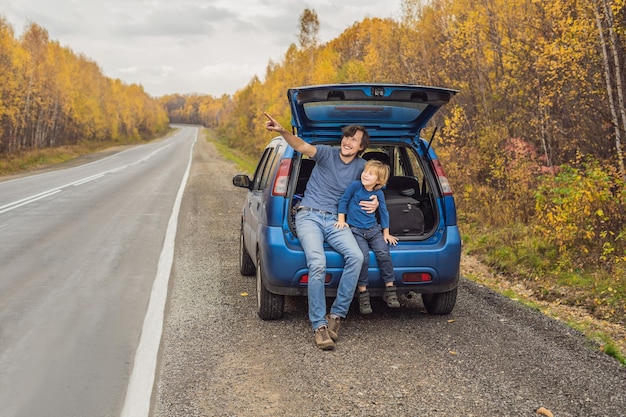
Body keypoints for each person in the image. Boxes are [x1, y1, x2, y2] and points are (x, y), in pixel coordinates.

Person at [264, 112, 378, 350]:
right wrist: (283, 131)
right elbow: (302, 145)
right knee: (317, 262)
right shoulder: (326, 153)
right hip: (309, 215)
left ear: (361, 147)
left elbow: (376, 182)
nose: (347, 142)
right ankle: (319, 326)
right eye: (346, 137)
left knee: (356, 257)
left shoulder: (360, 167)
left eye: (354, 140)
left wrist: (376, 200)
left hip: (338, 221)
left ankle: (336, 316)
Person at [335, 159, 400, 315]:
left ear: (378, 180)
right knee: (363, 258)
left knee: (384, 253)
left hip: (373, 230)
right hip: (356, 231)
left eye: (370, 174)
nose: (365, 175)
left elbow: (383, 212)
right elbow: (343, 200)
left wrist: (386, 233)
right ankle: (363, 293)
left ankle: (390, 289)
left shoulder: (378, 193)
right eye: (365, 171)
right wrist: (341, 220)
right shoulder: (355, 186)